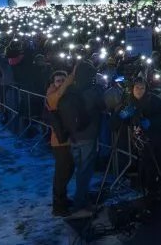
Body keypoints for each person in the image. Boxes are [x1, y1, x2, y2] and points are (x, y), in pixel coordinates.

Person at [57, 60, 104, 215]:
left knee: (80, 168)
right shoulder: (92, 91)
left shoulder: (71, 89)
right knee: (85, 170)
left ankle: (80, 196)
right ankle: (80, 202)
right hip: (88, 135)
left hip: (73, 135)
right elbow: (104, 104)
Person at [46, 68, 75, 216]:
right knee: (61, 174)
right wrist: (72, 75)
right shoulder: (52, 95)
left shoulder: (66, 94)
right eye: (58, 81)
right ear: (53, 83)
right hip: (59, 142)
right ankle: (58, 206)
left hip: (68, 140)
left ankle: (62, 199)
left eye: (63, 80)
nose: (61, 83)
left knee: (68, 170)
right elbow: (59, 94)